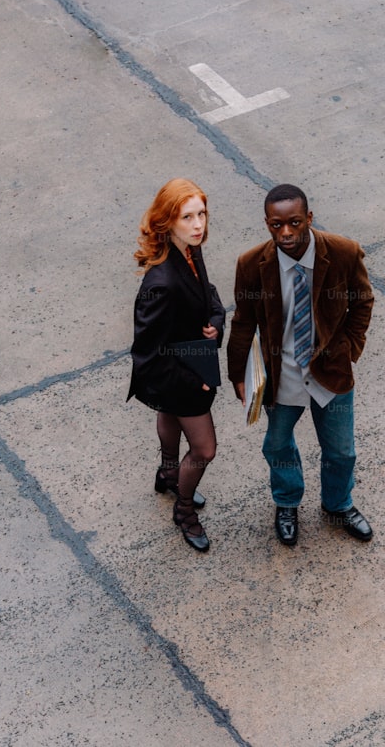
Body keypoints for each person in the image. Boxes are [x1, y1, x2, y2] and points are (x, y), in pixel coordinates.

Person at [226, 184, 375, 546]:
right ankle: (287, 502)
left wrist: (349, 349)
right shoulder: (251, 265)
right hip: (282, 373)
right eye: (277, 225)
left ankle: (338, 504)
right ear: (267, 224)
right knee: (277, 446)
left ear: (309, 217)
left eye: (294, 222)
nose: (286, 232)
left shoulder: (342, 252)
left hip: (330, 370)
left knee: (341, 450)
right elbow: (244, 321)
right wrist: (237, 375)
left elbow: (363, 301)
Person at [128, 178, 225, 552]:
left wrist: (216, 320)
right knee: (204, 450)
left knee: (169, 418)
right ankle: (184, 510)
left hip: (187, 364)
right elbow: (147, 352)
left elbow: (208, 294)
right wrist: (194, 381)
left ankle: (169, 472)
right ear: (167, 221)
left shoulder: (188, 250)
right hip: (179, 376)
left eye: (201, 214)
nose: (198, 224)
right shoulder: (162, 282)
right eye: (187, 217)